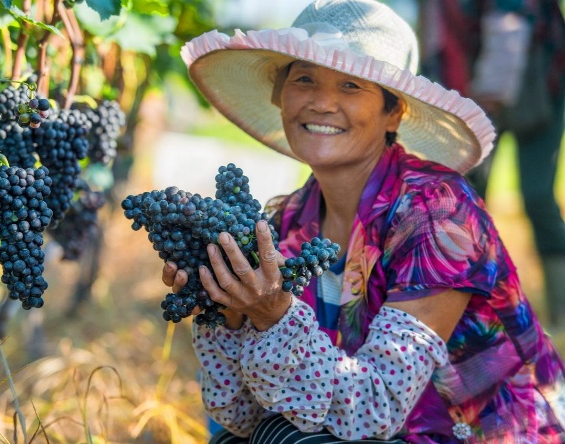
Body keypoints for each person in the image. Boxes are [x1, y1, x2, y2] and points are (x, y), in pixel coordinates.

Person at [160, 0, 565, 442]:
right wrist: (232, 315)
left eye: (351, 86)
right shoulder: (287, 222)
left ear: (394, 113)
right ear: (280, 95)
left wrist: (274, 317)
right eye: (304, 79)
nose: (322, 102)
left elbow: (375, 406)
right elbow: (239, 415)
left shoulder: (437, 214)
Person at [418, 0, 565, 328]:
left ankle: (561, 312)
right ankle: (468, 310)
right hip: (473, 90)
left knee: (538, 196)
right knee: (467, 197)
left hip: (540, 85)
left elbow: (510, 29)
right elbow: (433, 44)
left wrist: (483, 103)